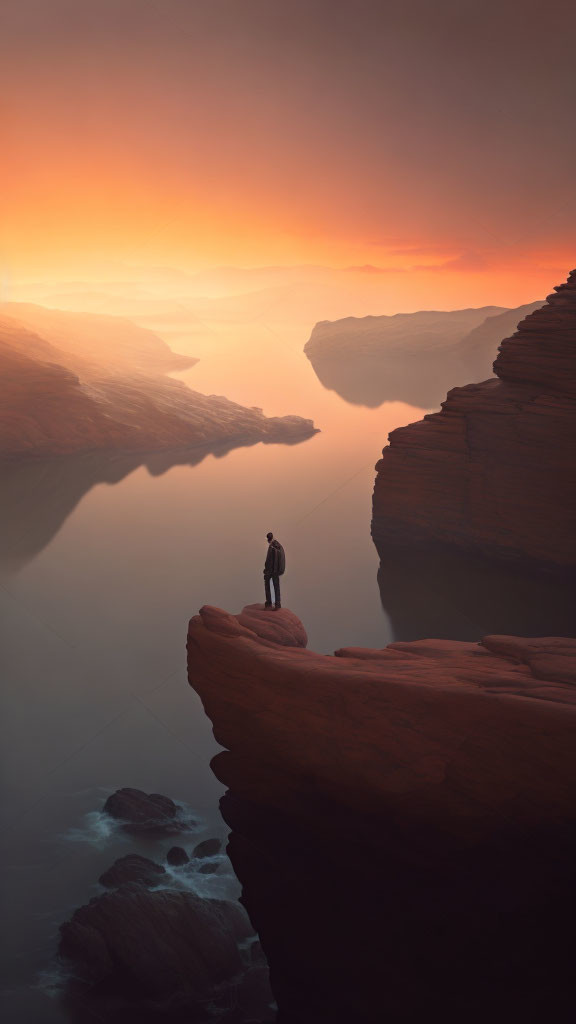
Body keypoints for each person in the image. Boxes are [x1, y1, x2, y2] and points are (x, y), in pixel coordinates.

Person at [263, 532, 285, 609]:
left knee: (267, 585)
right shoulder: (278, 546)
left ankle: (269, 603)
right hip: (276, 570)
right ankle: (277, 604)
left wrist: (266, 570)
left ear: (268, 539)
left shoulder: (272, 547)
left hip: (271, 570)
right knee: (276, 587)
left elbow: (269, 560)